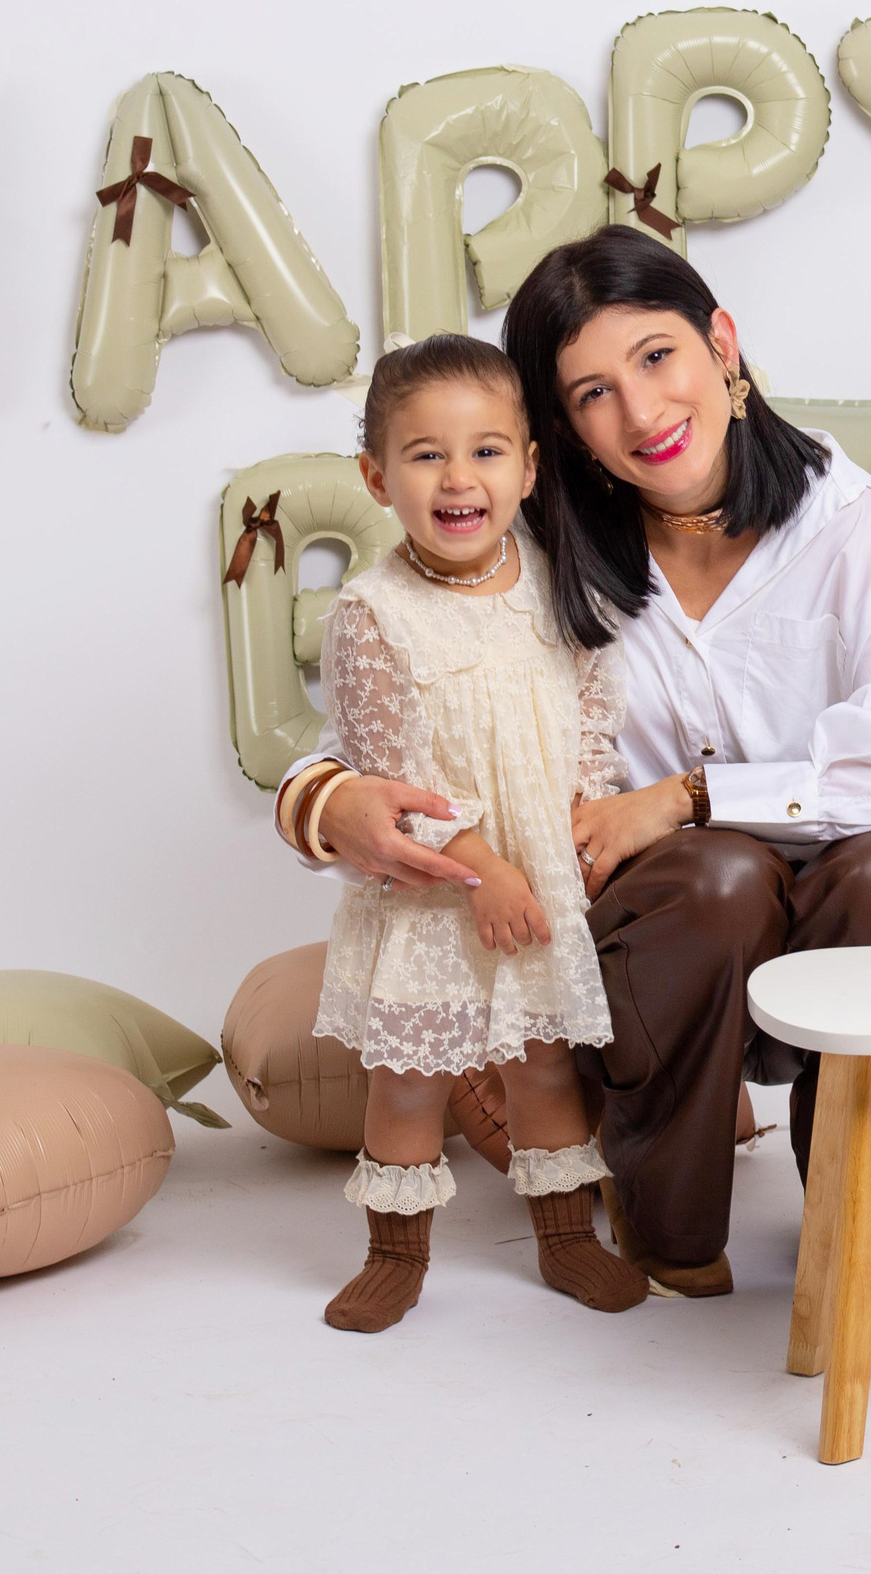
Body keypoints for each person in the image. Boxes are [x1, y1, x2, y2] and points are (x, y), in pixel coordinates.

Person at [286, 226, 871, 1299]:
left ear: (722, 344)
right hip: (666, 932)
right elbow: (367, 736)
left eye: (657, 357)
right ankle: (668, 1213)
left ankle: (851, 1180)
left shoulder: (855, 529)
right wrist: (331, 805)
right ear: (557, 430)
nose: (644, 413)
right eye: (592, 392)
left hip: (858, 906)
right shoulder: (542, 553)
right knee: (718, 877)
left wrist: (690, 797)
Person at [277, 332, 647, 1330]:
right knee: (408, 1083)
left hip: (539, 881)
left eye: (487, 450)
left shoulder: (549, 581)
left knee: (541, 1067)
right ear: (376, 475)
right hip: (442, 888)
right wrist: (483, 873)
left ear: (528, 467)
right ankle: (394, 1254)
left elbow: (588, 715)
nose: (458, 477)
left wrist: (577, 829)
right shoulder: (371, 612)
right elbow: (392, 780)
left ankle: (567, 1237)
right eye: (426, 454)